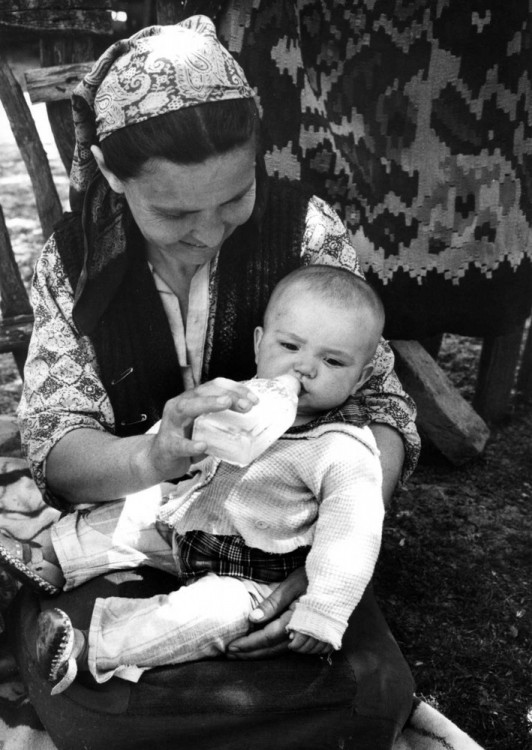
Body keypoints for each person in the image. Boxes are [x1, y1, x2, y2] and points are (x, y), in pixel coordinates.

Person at [3, 15, 420, 750]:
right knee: (98, 698)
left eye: (234, 197)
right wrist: (154, 456)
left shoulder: (306, 235)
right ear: (109, 172)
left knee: (369, 693)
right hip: (140, 522)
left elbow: (383, 405)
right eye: (173, 211)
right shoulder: (73, 263)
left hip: (282, 541)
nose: (210, 231)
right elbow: (58, 444)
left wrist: (325, 562)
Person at [28, 265, 386, 693]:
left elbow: (353, 535)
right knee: (133, 511)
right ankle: (46, 559)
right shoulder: (240, 397)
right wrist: (172, 449)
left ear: (361, 377)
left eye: (332, 361)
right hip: (187, 526)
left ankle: (89, 647)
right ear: (259, 344)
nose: (305, 367)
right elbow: (176, 441)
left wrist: (323, 611)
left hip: (254, 575)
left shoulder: (342, 448)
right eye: (289, 345)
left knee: (204, 617)